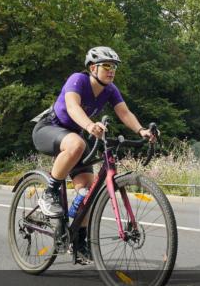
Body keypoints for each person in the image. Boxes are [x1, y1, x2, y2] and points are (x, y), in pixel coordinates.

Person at [31, 46, 156, 264]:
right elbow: (72, 107)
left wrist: (141, 130)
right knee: (77, 144)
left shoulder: (110, 90)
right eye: (106, 66)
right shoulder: (77, 80)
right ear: (92, 68)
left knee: (87, 192)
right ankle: (50, 192)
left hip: (76, 136)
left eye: (114, 67)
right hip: (49, 128)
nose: (111, 71)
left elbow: (124, 112)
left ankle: (78, 241)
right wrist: (89, 125)